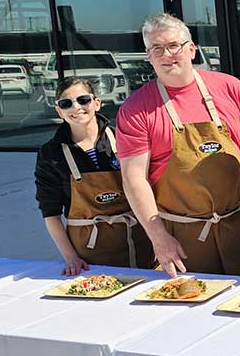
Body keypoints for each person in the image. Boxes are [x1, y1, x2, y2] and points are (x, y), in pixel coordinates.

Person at [117, 13, 240, 278]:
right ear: (148, 55)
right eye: (157, 49)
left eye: (174, 45)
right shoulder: (136, 109)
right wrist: (159, 238)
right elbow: (133, 179)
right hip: (184, 240)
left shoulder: (230, 88)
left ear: (191, 49)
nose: (167, 55)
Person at [35, 77, 152, 275]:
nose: (76, 107)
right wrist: (71, 257)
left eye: (83, 100)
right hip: (88, 257)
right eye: (66, 103)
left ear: (97, 103)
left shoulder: (124, 138)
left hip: (139, 246)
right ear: (59, 111)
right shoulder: (51, 154)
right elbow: (50, 213)